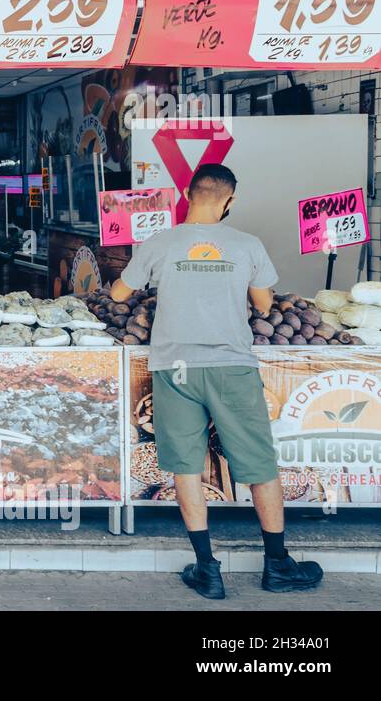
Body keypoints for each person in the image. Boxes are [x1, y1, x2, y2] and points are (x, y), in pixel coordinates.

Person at [110, 164, 322, 599]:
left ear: (187, 194)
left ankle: (207, 570)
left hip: (175, 368)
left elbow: (117, 294)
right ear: (230, 201)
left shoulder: (159, 242)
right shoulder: (246, 245)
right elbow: (263, 305)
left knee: (185, 466)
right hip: (231, 366)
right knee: (259, 464)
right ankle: (278, 566)